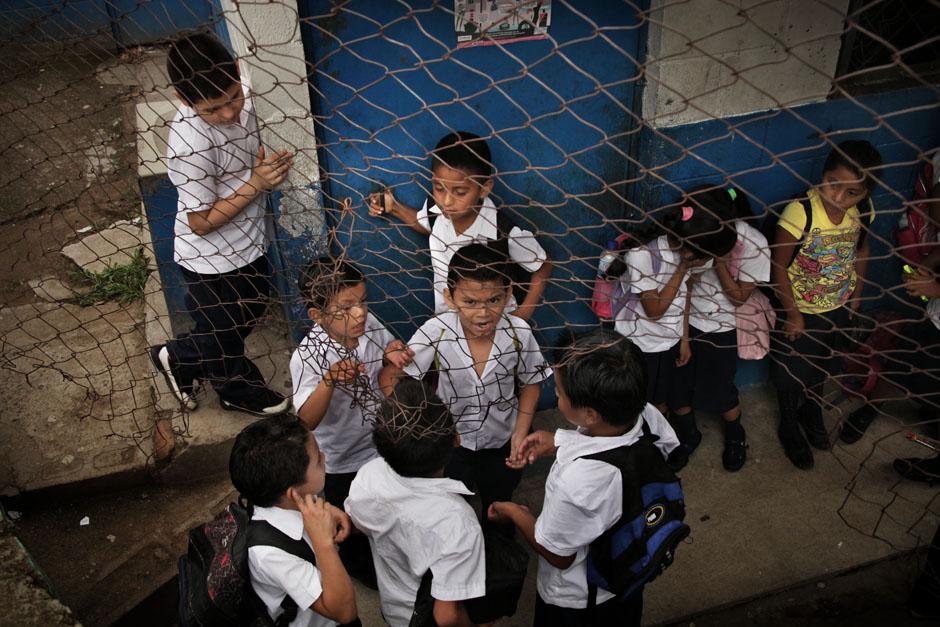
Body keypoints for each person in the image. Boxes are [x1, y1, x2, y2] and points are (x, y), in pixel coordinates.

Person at [489, 330, 679, 627]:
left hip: (580, 603)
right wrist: (560, 440)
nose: (557, 393)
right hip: (627, 577)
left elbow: (558, 555)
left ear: (590, 414)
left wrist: (516, 513)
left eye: (561, 393)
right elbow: (630, 451)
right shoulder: (644, 414)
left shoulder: (578, 481)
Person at [150, 31, 291, 416]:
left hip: (249, 242)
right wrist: (257, 183)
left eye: (233, 99)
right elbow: (200, 221)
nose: (229, 114)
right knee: (223, 333)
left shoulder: (249, 88)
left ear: (238, 72)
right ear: (184, 100)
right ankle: (235, 389)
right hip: (208, 259)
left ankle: (176, 356)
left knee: (247, 312)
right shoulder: (189, 144)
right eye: (213, 109)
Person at [382, 243, 550, 534]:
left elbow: (532, 382)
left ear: (508, 294)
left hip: (502, 439)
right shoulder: (437, 330)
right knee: (451, 507)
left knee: (498, 508)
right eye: (470, 302)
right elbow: (399, 377)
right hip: (452, 443)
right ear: (450, 297)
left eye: (494, 300)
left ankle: (497, 553)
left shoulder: (518, 333)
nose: (483, 313)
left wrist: (520, 432)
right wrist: (428, 424)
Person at [291, 257, 409, 587]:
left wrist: (393, 353)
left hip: (380, 443)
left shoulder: (368, 327)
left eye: (363, 301)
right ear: (317, 315)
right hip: (341, 460)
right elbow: (307, 420)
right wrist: (328, 381)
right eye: (345, 307)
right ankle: (363, 569)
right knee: (351, 523)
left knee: (388, 507)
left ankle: (393, 553)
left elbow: (386, 351)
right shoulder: (308, 356)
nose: (359, 313)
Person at [770, 140, 882, 469]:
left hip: (837, 304)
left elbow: (861, 249)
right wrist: (792, 314)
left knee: (821, 363)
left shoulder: (863, 211)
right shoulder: (801, 212)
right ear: (824, 174)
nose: (838, 197)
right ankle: (789, 423)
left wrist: (857, 292)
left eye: (852, 193)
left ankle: (812, 409)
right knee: (790, 373)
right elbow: (778, 266)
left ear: (865, 194)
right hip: (800, 308)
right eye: (834, 184)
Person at [345, 379, 486, 627]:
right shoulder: (459, 523)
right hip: (424, 617)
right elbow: (447, 616)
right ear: (456, 439)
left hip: (395, 607)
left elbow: (358, 523)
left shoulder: (367, 477)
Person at [367, 131, 553, 320]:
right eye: (439, 188)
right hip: (447, 320)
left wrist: (523, 314)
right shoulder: (435, 211)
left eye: (460, 192)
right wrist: (395, 208)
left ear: (485, 188)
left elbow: (543, 265)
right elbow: (425, 224)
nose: (446, 201)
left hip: (493, 325)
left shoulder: (502, 231)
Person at [614, 191, 737, 469]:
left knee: (662, 399)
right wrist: (682, 267)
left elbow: (685, 296)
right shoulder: (642, 255)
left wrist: (684, 339)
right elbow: (655, 310)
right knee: (640, 401)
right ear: (691, 249)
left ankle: (659, 445)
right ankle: (643, 447)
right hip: (639, 344)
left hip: (668, 342)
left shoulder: (694, 258)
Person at [671, 186, 771, 471]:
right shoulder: (689, 232)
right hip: (686, 320)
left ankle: (735, 434)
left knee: (720, 389)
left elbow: (739, 297)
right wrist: (684, 337)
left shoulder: (753, 243)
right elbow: (684, 290)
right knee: (678, 386)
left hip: (723, 325)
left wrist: (721, 263)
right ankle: (690, 434)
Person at [229, 415, 359, 626]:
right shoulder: (270, 554)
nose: (324, 457)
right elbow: (344, 612)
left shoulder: (277, 498)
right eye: (318, 460)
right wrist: (323, 543)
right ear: (293, 493)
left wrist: (326, 509)